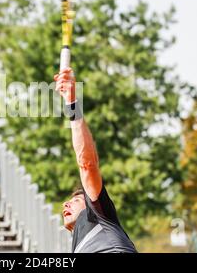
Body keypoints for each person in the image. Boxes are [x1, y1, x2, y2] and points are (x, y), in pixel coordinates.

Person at [54, 67, 137, 253]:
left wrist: (71, 103)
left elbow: (87, 164)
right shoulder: (79, 243)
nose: (65, 204)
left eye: (75, 201)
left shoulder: (97, 214)